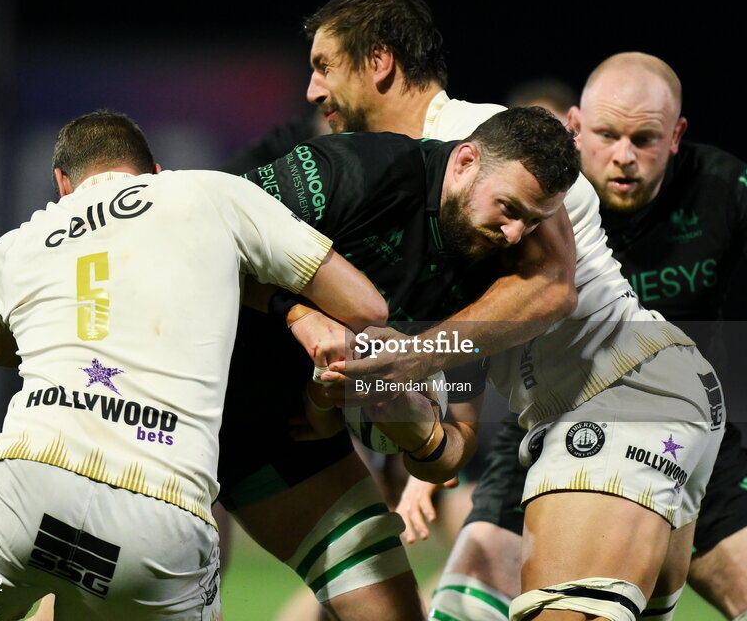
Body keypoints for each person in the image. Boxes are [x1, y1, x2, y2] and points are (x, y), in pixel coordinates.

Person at [303, 0, 728, 621]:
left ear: (379, 62)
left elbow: (553, 287)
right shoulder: (413, 187)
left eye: (323, 66)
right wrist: (413, 422)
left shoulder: (474, 137)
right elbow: (463, 403)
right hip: (603, 404)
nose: (312, 91)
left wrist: (418, 357)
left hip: (621, 395)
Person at [410, 53, 747, 621]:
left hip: (687, 434)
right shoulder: (532, 202)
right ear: (574, 128)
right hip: (555, 435)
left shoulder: (724, 185)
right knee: (457, 610)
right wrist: (447, 432)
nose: (623, 155)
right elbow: (480, 318)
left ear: (677, 135)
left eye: (644, 138)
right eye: (606, 135)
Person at [0, 110, 387, 620]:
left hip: (19, 501)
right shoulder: (208, 193)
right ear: (156, 171)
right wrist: (294, 310)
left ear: (62, 182)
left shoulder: (15, 247)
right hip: (163, 532)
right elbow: (367, 308)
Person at [212, 104, 581, 621]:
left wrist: (418, 435)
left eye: (533, 222)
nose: (516, 235)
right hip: (186, 404)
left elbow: (457, 444)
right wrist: (296, 313)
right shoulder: (359, 170)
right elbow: (205, 241)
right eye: (509, 208)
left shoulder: (484, 281)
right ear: (465, 162)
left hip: (287, 435)